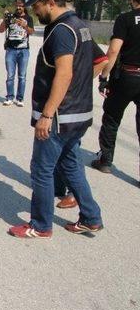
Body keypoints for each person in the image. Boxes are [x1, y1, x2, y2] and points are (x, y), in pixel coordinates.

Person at [8, 0, 103, 238]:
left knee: (42, 169)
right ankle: (91, 217)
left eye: (37, 5)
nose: (34, 11)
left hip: (59, 117)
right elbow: (98, 61)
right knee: (71, 166)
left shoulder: (61, 30)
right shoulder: (79, 25)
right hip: (79, 114)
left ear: (50, 2)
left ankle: (40, 226)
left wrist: (48, 113)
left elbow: (64, 73)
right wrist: (78, 92)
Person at [91, 0, 140, 177]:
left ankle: (105, 161)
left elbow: (113, 50)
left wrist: (104, 77)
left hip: (126, 76)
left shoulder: (125, 19)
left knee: (111, 118)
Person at [54, 41, 109, 209]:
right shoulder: (64, 28)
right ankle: (58, 186)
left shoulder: (71, 30)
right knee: (59, 147)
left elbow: (103, 59)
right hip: (65, 102)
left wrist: (77, 84)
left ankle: (75, 195)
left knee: (70, 150)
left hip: (70, 104)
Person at [0, 0, 35, 106]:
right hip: (11, 50)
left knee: (22, 76)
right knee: (10, 75)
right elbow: (1, 30)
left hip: (23, 50)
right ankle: (9, 97)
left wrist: (24, 25)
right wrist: (5, 19)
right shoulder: (11, 17)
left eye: (21, 5)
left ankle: (20, 99)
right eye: (17, 5)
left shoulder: (29, 18)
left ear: (24, 6)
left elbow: (31, 32)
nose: (19, 7)